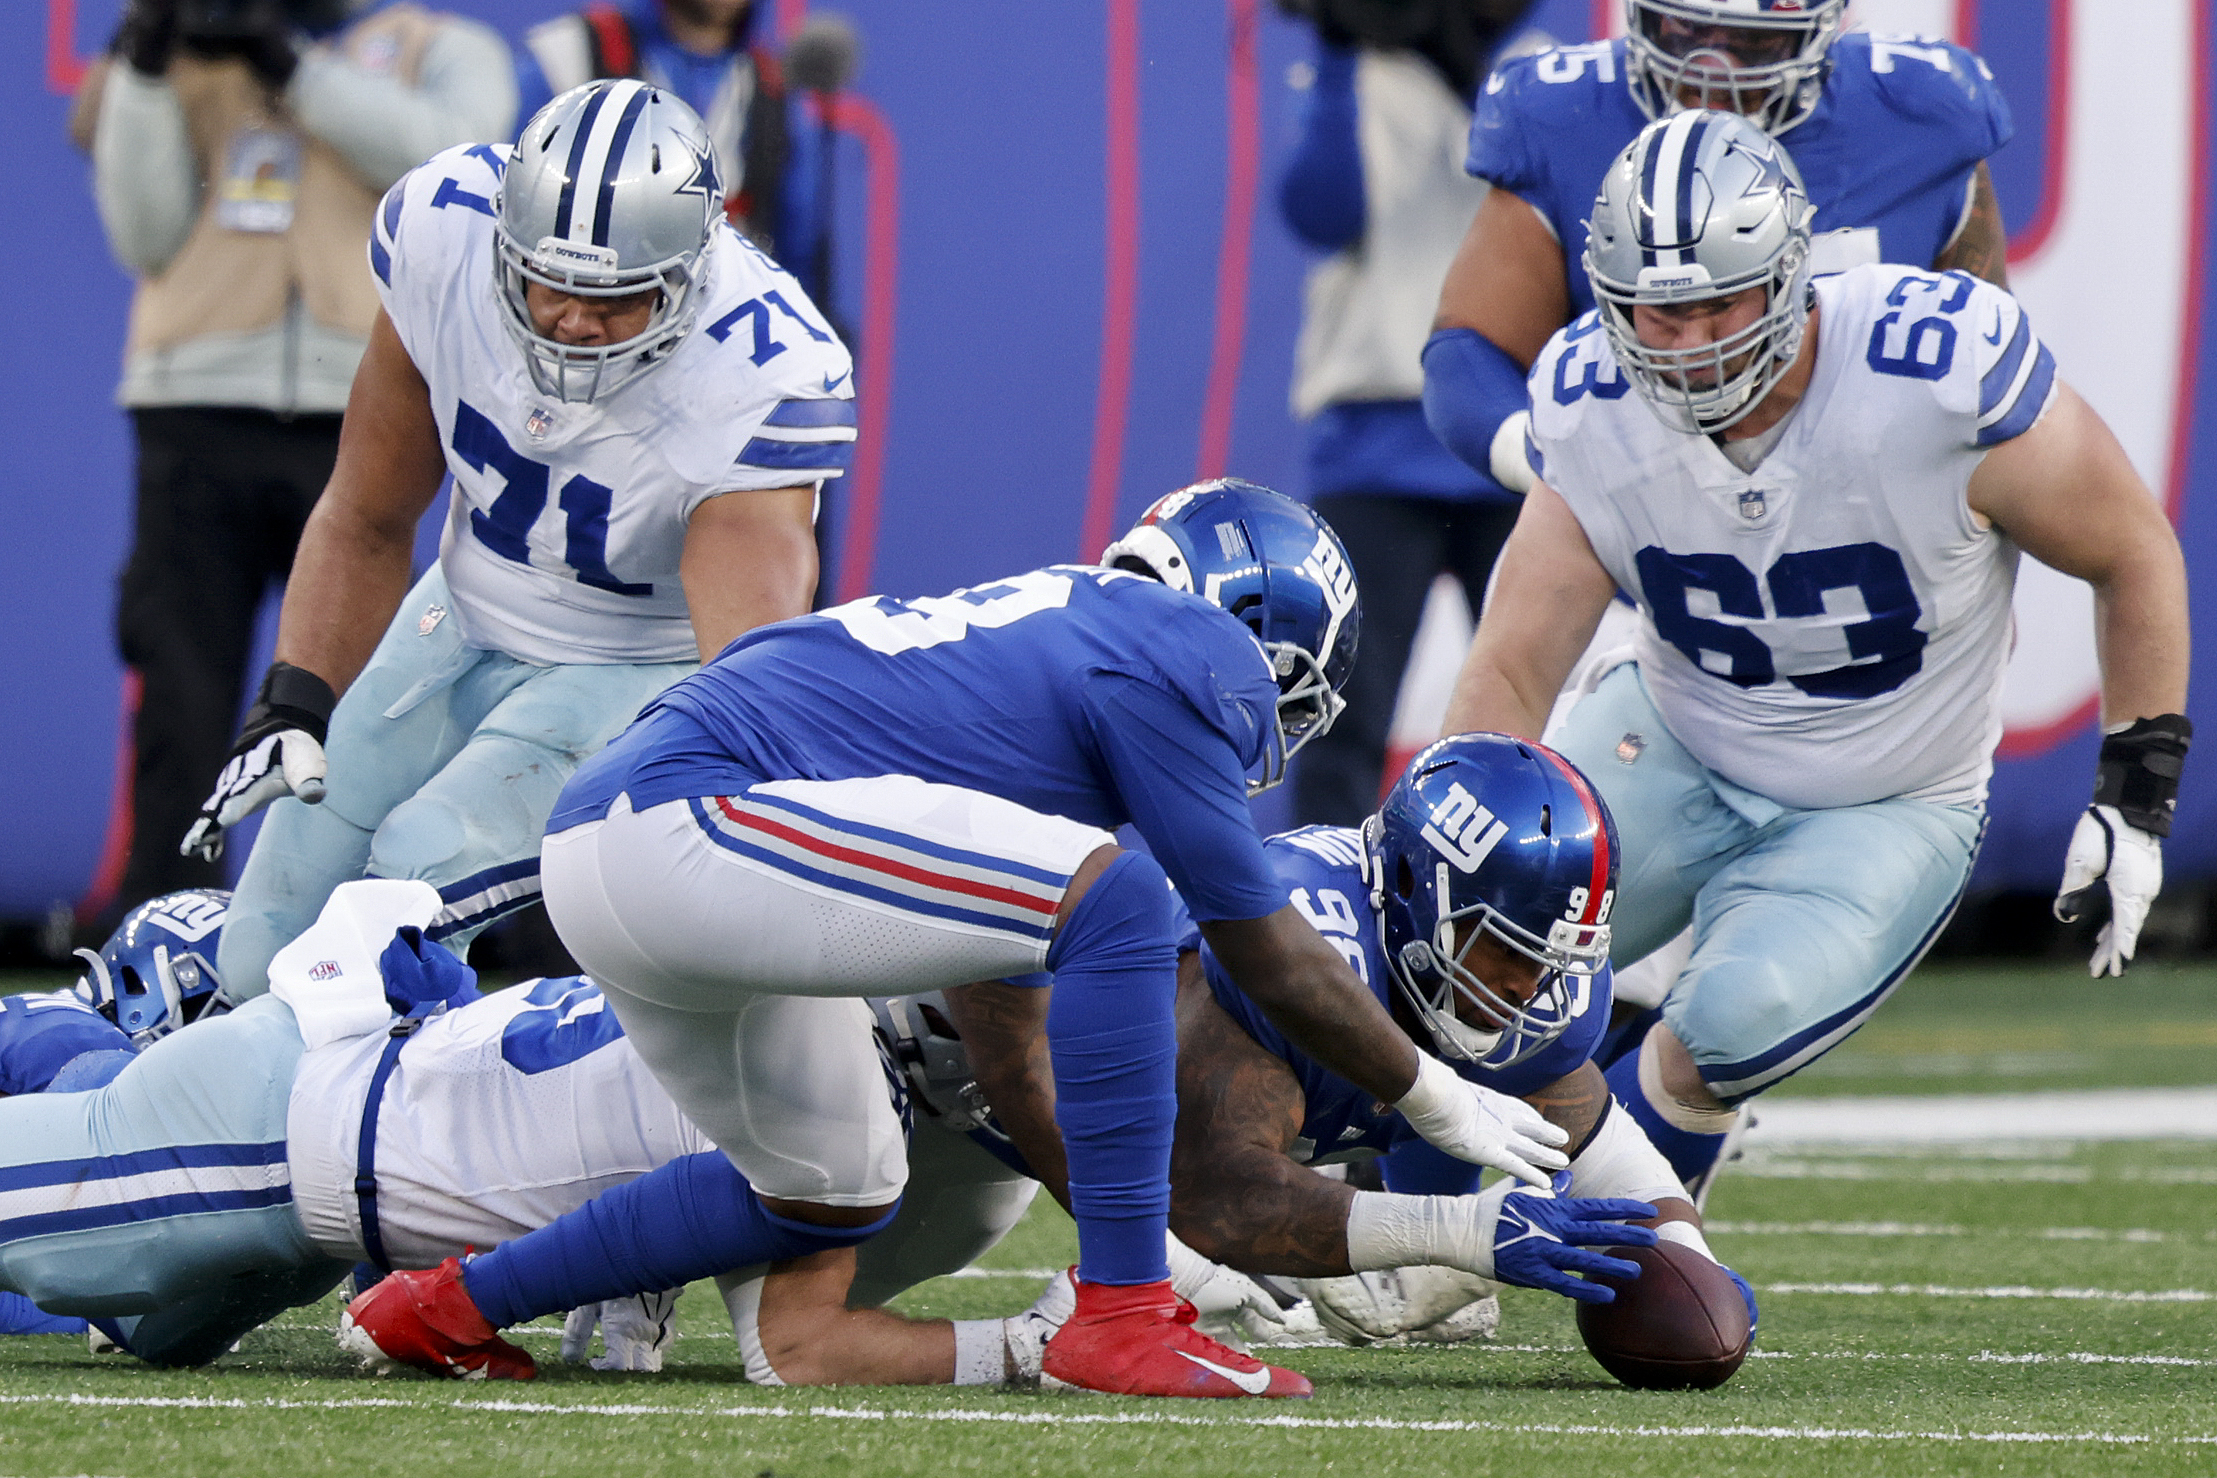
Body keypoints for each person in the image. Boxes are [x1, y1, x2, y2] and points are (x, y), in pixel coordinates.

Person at [521, 478, 1586, 1399]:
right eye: (1279, 695)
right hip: (692, 823)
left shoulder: (1057, 633)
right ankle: (1123, 1315)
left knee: (887, 1189)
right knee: (1115, 906)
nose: (1262, 723)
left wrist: (1167, 1213)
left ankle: (480, 1296)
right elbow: (1256, 935)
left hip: (638, 833)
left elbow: (1009, 1017)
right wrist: (1427, 1092)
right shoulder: (1181, 647)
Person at [1440, 112, 2191, 1203]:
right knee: (1470, 953)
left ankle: (1603, 1222)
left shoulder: (1934, 369)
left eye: (1718, 304)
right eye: (1660, 309)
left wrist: (2138, 793)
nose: (1688, 341)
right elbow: (1509, 667)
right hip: (1675, 739)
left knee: (1725, 1033)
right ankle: (1416, 1238)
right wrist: (1460, 858)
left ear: (1792, 276)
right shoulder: (1592, 397)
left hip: (1884, 793)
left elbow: (2131, 550)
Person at [182, 81, 853, 1001]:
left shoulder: (760, 370)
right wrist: (293, 701)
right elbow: (368, 514)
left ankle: (397, 1138)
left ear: (687, 278)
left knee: (391, 924)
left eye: (613, 298)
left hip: (625, 667)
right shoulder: (440, 234)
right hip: (456, 615)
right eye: (550, 284)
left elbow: (738, 690)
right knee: (261, 947)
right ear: (502, 242)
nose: (573, 321)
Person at [69, 0, 514, 925]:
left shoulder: (439, 48)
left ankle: (360, 938)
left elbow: (459, 163)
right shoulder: (175, 60)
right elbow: (140, 235)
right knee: (180, 698)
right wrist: (149, 67)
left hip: (359, 413)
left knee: (363, 702)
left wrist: (293, 67)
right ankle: (161, 937)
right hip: (193, 406)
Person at [1422, 0, 2013, 503]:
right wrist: (1547, 469)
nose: (1712, 70)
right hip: (1650, 573)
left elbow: (1988, 354)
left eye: (1751, 41)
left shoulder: (1922, 115)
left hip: (1878, 554)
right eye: (1683, 32)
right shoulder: (1566, 118)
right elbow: (1471, 351)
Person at [1273, 0, 1534, 825]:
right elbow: (1320, 212)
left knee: (1546, 715)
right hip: (1377, 451)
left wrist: (1471, 71)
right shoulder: (1350, 71)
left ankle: (1551, 919)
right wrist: (1341, 51)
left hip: (1514, 444)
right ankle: (1324, 923)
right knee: (1340, 720)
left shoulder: (1536, 69)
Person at [513, 0, 827, 301]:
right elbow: (510, 210)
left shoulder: (776, 91)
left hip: (722, 332)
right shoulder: (571, 54)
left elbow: (799, 259)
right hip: (587, 315)